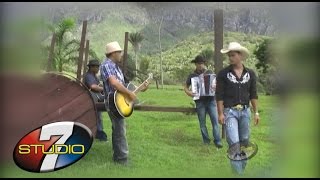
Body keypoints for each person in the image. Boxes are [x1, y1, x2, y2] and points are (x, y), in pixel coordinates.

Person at [100, 41, 149, 165]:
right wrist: (129, 92)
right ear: (113, 53)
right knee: (120, 130)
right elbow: (114, 83)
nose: (121, 54)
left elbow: (124, 86)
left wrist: (141, 88)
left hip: (119, 101)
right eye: (119, 52)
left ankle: (118, 157)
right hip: (113, 102)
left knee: (117, 129)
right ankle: (122, 160)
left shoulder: (116, 67)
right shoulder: (106, 65)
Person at [215, 42, 260, 175]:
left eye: (233, 55)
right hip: (230, 112)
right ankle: (238, 174)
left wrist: (256, 112)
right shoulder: (223, 74)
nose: (230, 58)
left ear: (240, 56)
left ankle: (240, 168)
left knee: (244, 142)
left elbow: (253, 94)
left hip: (246, 112)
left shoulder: (250, 74)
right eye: (229, 56)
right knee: (234, 144)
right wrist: (220, 113)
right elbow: (219, 95)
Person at [184, 55, 223, 148]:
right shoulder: (192, 76)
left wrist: (215, 87)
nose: (200, 65)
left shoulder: (210, 73)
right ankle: (206, 141)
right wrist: (189, 93)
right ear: (195, 64)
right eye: (198, 64)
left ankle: (217, 141)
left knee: (215, 121)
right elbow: (185, 87)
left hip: (211, 100)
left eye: (201, 63)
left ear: (204, 64)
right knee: (202, 123)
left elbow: (216, 85)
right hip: (199, 102)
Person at [84, 59, 108, 142]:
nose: (98, 68)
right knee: (97, 116)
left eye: (98, 66)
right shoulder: (89, 76)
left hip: (97, 98)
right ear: (92, 67)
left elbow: (98, 85)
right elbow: (93, 87)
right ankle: (99, 132)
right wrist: (104, 89)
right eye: (97, 66)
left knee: (99, 116)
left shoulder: (94, 76)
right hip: (92, 98)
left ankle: (99, 132)